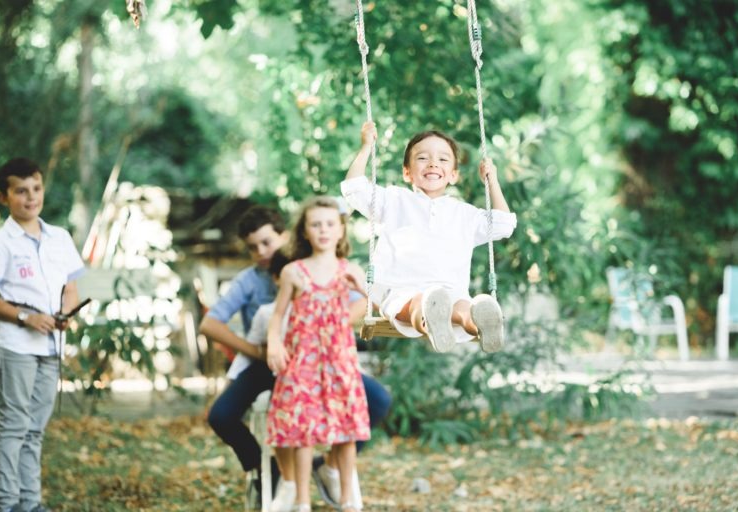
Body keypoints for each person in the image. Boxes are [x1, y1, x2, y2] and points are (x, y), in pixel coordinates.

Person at [200, 205, 390, 510]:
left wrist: (337, 320)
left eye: (266, 242)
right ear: (306, 230)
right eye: (252, 247)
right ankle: (271, 472)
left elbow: (364, 303)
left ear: (285, 236)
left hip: (326, 357)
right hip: (272, 363)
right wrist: (263, 351)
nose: (261, 252)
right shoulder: (256, 278)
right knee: (223, 415)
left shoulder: (326, 266)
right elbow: (213, 323)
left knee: (376, 402)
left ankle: (327, 465)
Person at [341, 121, 518, 354]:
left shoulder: (464, 213)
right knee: (421, 305)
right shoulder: (394, 200)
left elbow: (503, 224)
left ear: (453, 174)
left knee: (461, 307)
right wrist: (366, 147)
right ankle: (438, 319)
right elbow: (354, 188)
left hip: (449, 290)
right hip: (401, 289)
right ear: (407, 172)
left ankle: (480, 323)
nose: (433, 162)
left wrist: (492, 180)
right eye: (423, 158)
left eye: (443, 159)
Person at [266, 196, 370, 512]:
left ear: (341, 231)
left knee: (347, 429)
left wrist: (362, 287)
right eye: (315, 224)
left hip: (339, 360)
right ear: (305, 232)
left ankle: (347, 500)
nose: (323, 230)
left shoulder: (348, 269)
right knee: (303, 430)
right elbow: (277, 314)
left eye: (330, 224)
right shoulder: (293, 272)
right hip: (304, 361)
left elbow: (375, 304)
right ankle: (301, 501)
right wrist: (274, 343)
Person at [0, 158, 85, 512]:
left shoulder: (59, 237)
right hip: (15, 345)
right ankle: (6, 502)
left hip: (51, 348)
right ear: (4, 197)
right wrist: (25, 317)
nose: (30, 198)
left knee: (35, 428)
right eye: (20, 191)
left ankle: (30, 504)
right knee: (14, 426)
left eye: (36, 188)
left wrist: (65, 315)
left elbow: (71, 288)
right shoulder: (2, 242)